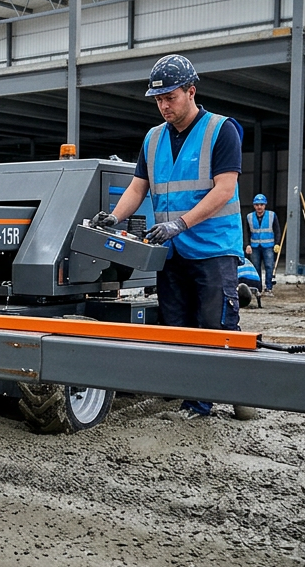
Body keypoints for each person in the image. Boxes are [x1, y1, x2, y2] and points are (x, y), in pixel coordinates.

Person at [92, 54, 244, 418]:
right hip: (171, 252)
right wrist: (112, 218)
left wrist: (181, 223)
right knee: (176, 325)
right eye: (158, 99)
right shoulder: (153, 138)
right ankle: (184, 390)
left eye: (170, 97)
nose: (163, 106)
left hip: (212, 249)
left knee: (213, 326)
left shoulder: (221, 130)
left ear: (191, 92)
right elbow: (137, 188)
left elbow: (224, 189)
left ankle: (206, 400)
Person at [244, 193, 280, 294]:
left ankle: (269, 288)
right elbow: (246, 232)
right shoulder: (249, 217)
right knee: (256, 268)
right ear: (254, 205)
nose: (259, 207)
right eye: (257, 205)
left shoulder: (272, 215)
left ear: (265, 205)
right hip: (254, 246)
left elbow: (277, 230)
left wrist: (277, 243)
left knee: (269, 266)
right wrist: (247, 244)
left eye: (261, 204)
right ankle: (258, 288)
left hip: (268, 246)